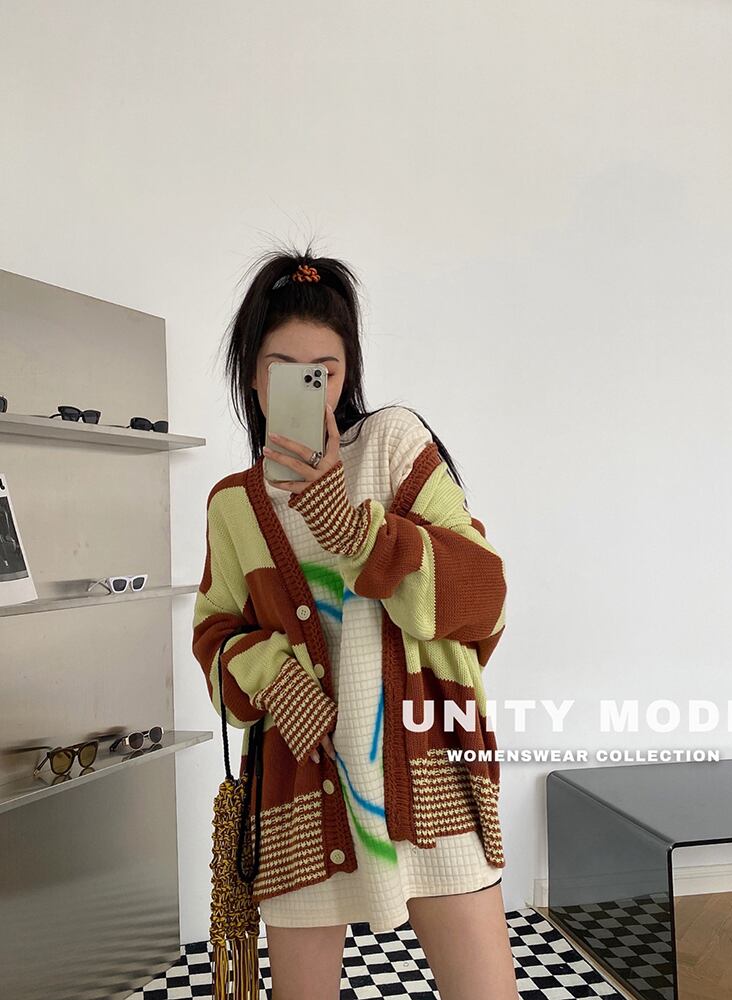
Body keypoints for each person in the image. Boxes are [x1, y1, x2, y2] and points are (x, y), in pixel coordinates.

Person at [193, 243, 518, 1000]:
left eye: (325, 370)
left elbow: (486, 598)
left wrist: (355, 531)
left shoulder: (395, 447)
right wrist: (271, 677)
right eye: (283, 368)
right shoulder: (234, 506)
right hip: (300, 794)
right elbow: (213, 636)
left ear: (348, 373)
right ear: (252, 376)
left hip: (429, 776)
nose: (307, 387)